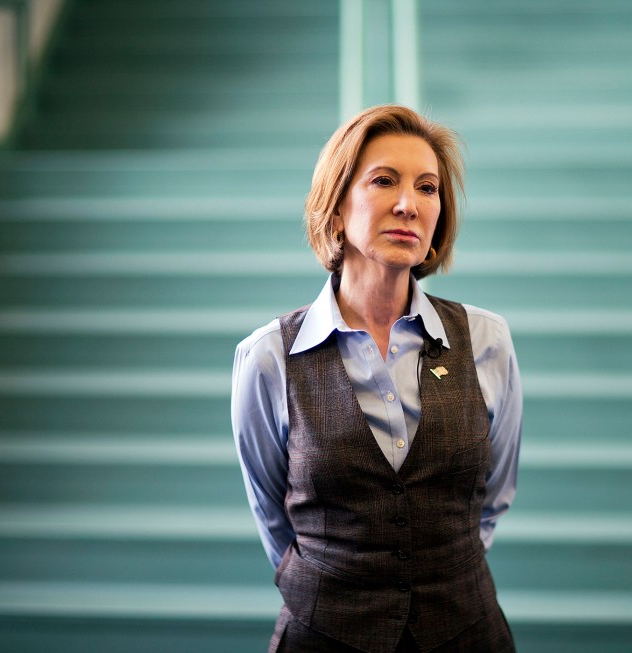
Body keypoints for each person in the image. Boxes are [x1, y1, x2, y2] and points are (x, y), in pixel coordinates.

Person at [231, 104, 522, 653]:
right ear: (336, 208)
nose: (409, 205)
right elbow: (275, 521)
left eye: (428, 187)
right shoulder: (269, 357)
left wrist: (442, 573)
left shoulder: (487, 341)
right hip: (323, 636)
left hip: (465, 632)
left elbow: (493, 496)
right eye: (384, 181)